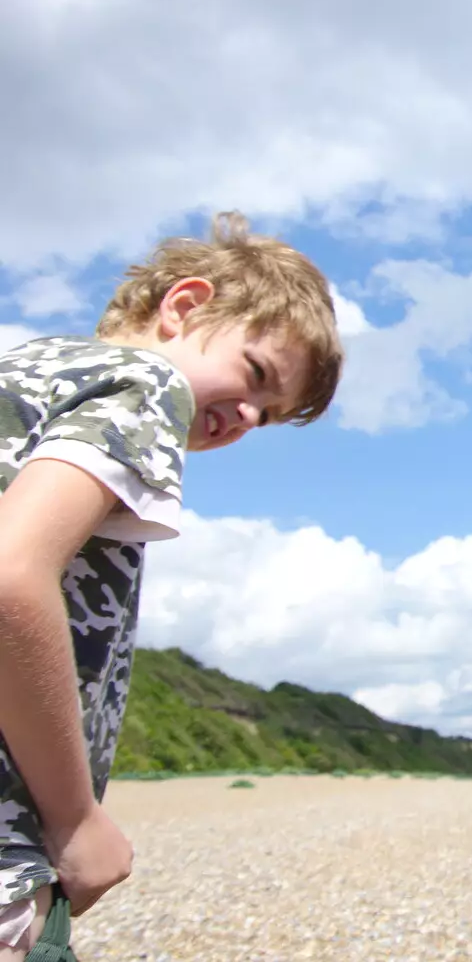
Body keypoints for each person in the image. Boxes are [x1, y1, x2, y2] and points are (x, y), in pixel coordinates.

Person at [0, 213, 343, 960]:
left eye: (270, 417)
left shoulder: (27, 374)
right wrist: (73, 817)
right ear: (183, 306)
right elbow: (8, 574)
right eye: (256, 376)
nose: (248, 418)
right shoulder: (150, 386)